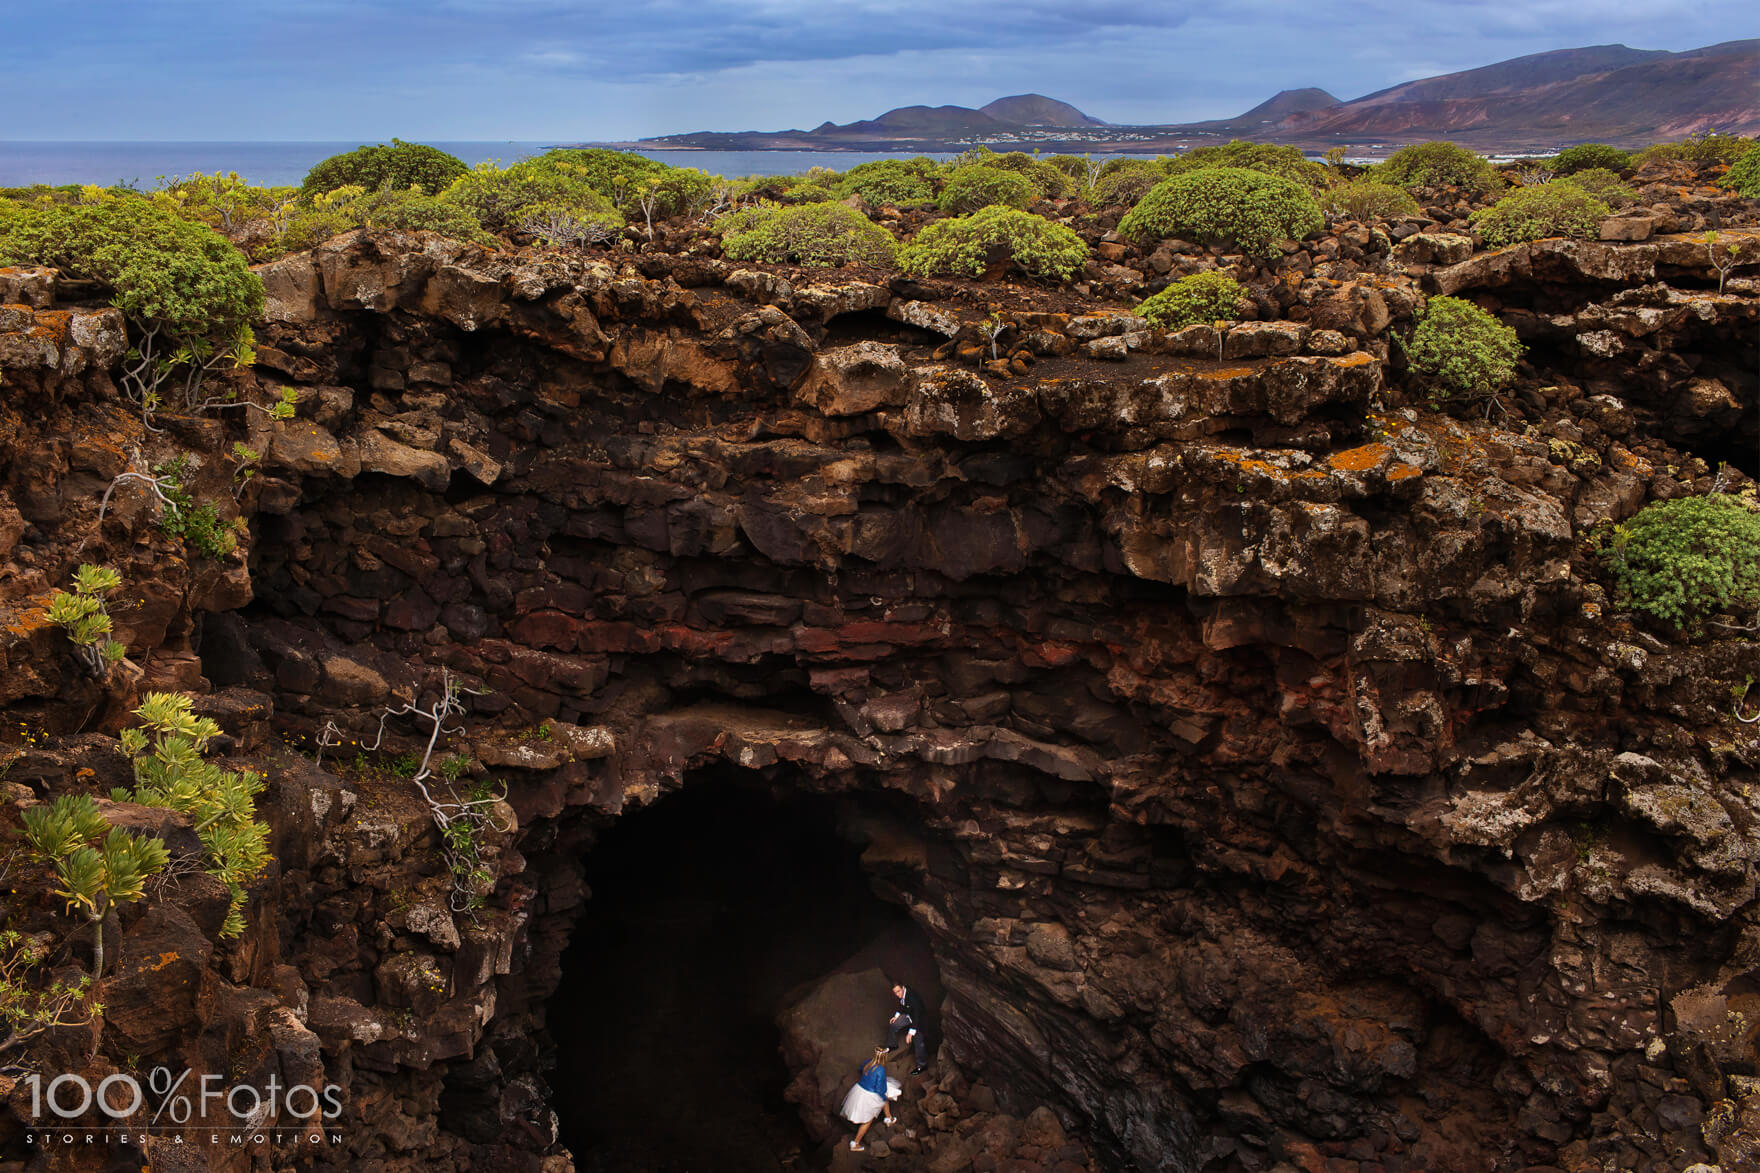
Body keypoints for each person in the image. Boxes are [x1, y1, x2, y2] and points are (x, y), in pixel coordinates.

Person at [839, 1045, 900, 1152]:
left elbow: (860, 1068)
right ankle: (855, 1143)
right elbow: (880, 1089)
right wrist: (884, 1096)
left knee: (884, 1099)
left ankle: (888, 1118)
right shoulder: (880, 1070)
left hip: (859, 1089)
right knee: (867, 1120)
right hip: (869, 1095)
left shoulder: (868, 1062)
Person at [887, 982, 928, 1074]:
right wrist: (896, 1016)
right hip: (909, 1015)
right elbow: (902, 1004)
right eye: (895, 993)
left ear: (903, 988)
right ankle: (892, 1045)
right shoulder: (902, 994)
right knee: (894, 1024)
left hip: (919, 1019)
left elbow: (917, 1015)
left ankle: (922, 1066)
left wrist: (911, 1032)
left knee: (918, 1041)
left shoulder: (913, 998)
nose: (898, 995)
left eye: (899, 991)